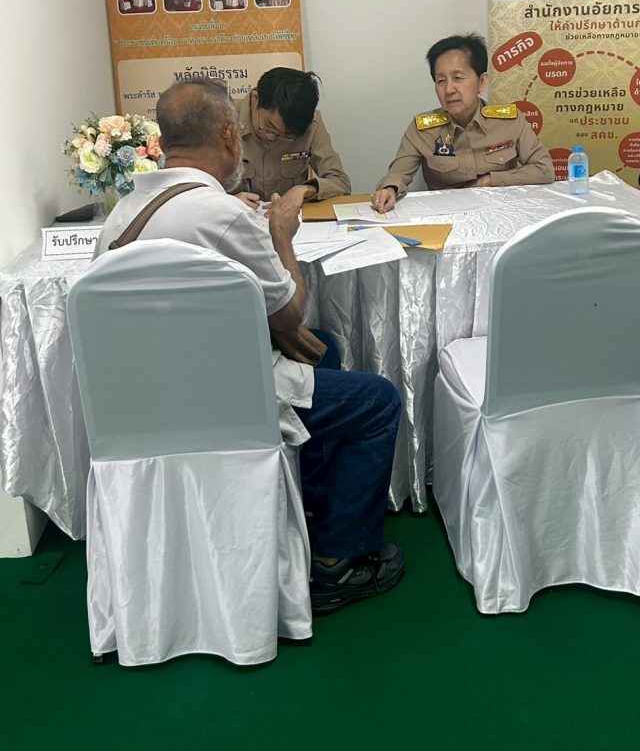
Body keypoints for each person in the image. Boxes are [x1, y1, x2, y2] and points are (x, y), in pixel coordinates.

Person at [94, 79, 405, 615]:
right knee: (378, 402)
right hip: (225, 401)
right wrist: (281, 235)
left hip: (144, 402)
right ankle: (339, 561)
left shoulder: (120, 216)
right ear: (228, 134)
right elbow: (290, 312)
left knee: (322, 348)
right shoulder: (224, 216)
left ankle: (310, 509)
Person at [371, 33, 554, 212]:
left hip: (501, 212)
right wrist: (389, 189)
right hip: (446, 216)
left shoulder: (509, 122)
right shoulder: (422, 129)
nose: (449, 89)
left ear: (481, 82)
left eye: (458, 78)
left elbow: (544, 169)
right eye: (441, 81)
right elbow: (397, 174)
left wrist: (489, 181)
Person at [233, 67, 351, 214]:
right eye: (269, 126)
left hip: (291, 222)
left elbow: (340, 182)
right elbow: (203, 188)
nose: (273, 138)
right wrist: (226, 201)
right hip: (235, 220)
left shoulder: (310, 124)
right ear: (255, 99)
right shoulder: (224, 118)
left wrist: (306, 189)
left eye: (288, 135)